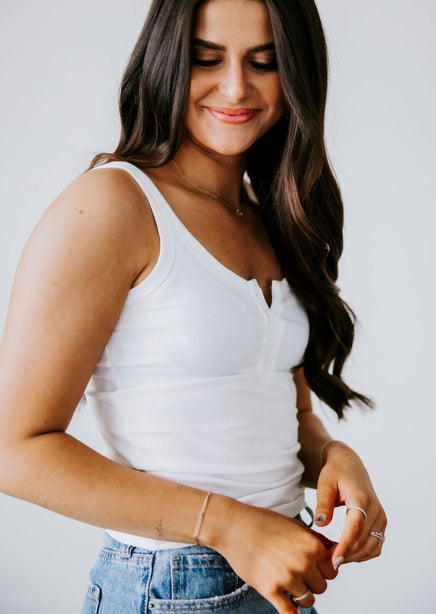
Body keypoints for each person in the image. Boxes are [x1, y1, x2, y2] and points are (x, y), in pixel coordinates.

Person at [0, 1, 387, 613]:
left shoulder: (269, 215)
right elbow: (13, 449)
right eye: (206, 59)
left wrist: (333, 458)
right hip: (170, 587)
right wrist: (227, 525)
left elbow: (286, 409)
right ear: (164, 62)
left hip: (282, 574)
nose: (235, 87)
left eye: (264, 62)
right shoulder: (113, 206)